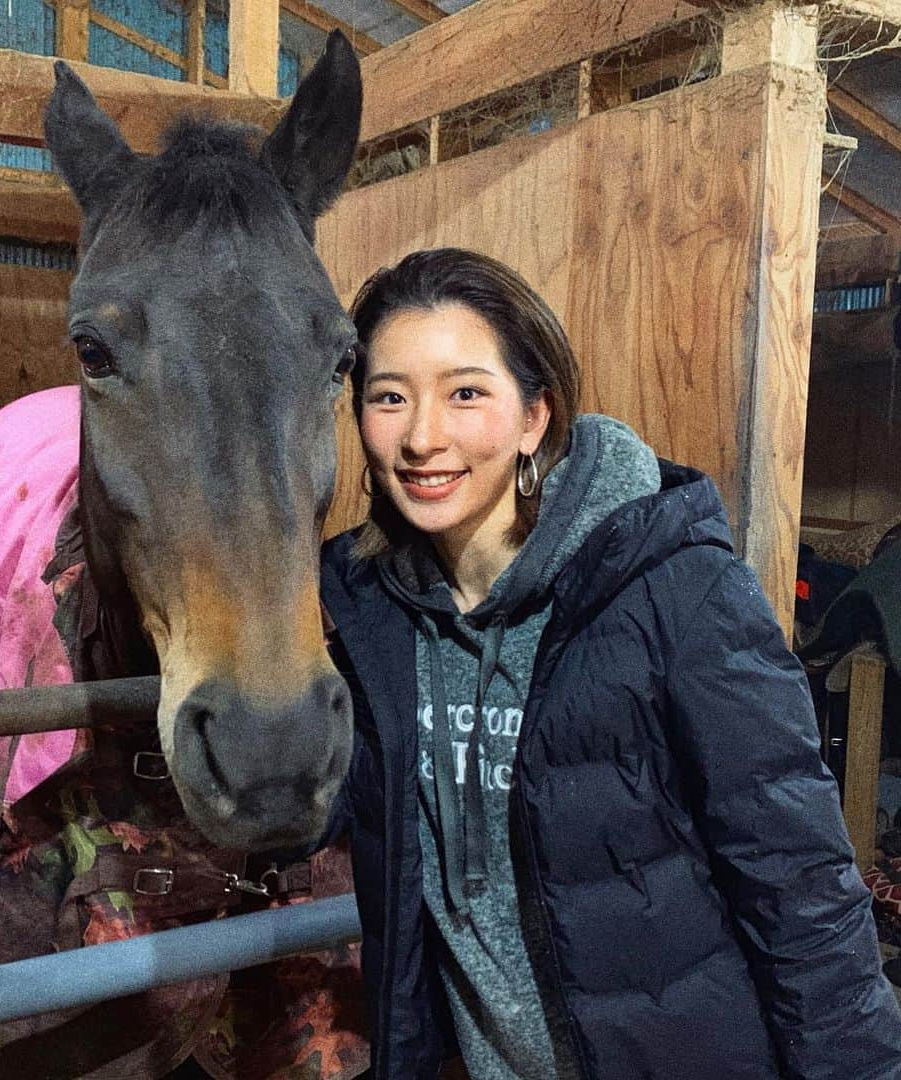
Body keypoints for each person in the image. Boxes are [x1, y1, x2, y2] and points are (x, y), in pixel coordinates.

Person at [318, 247, 901, 1079]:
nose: (421, 436)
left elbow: (797, 883)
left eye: (466, 392)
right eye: (389, 397)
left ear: (535, 417)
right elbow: (320, 816)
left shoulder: (674, 588)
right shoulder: (373, 615)